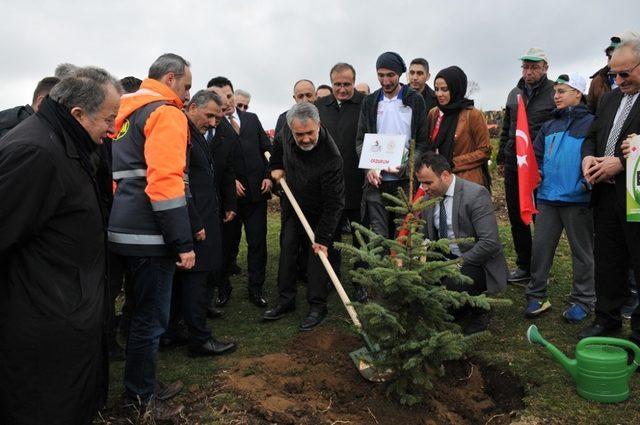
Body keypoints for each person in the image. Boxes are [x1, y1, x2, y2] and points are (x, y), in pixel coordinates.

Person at [0, 67, 122, 424]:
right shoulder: (35, 152)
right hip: (44, 317)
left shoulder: (68, 141)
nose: (113, 129)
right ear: (78, 114)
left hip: (66, 307)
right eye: (109, 119)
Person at [108, 53, 194, 416]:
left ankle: (141, 382)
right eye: (187, 86)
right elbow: (164, 181)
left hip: (122, 228)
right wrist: (182, 241)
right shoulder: (166, 113)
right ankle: (140, 398)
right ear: (171, 78)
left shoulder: (125, 111)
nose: (188, 94)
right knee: (151, 319)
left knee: (135, 312)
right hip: (150, 235)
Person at [164, 90, 236, 356]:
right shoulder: (181, 134)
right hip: (194, 220)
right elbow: (179, 183)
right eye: (209, 116)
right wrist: (194, 222)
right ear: (192, 107)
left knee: (189, 280)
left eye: (217, 118)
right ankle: (199, 339)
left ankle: (175, 330)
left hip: (203, 215)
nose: (213, 123)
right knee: (196, 280)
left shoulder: (196, 134)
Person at [264, 102, 345, 330]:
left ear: (318, 125)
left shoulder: (331, 157)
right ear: (291, 129)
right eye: (300, 134)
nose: (306, 138)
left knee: (317, 258)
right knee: (288, 249)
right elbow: (277, 147)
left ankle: (318, 306)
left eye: (310, 132)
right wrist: (276, 166)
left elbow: (335, 202)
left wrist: (322, 238)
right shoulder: (286, 133)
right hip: (293, 202)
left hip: (322, 211)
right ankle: (286, 301)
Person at [580, 38, 640, 342]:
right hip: (605, 195)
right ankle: (607, 320)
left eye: (624, 74)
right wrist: (588, 157)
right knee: (608, 260)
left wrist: (622, 163)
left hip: (636, 196)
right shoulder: (609, 99)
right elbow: (592, 136)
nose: (617, 81)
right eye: (612, 75)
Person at [524, 73, 595, 322]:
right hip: (547, 199)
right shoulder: (549, 125)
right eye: (555, 91)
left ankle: (584, 300)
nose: (556, 95)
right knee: (541, 249)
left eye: (562, 91)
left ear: (578, 93)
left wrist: (585, 185)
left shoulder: (591, 123)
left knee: (582, 252)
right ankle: (537, 295)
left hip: (577, 200)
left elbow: (595, 156)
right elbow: (536, 155)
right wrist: (539, 173)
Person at [417, 152, 507, 335]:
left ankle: (481, 309)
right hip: (447, 255)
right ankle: (457, 305)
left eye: (428, 182)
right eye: (421, 182)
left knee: (455, 283)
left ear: (445, 175)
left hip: (477, 261)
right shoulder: (429, 198)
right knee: (426, 281)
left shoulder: (475, 195)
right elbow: (426, 235)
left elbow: (490, 243)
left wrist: (457, 264)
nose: (424, 188)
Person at [207, 76, 272, 308]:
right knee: (226, 246)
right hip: (230, 202)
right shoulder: (212, 126)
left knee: (257, 244)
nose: (225, 101)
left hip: (256, 197)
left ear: (233, 94)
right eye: (219, 97)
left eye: (228, 95)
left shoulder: (251, 120)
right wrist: (230, 181)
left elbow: (267, 150)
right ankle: (223, 288)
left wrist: (267, 175)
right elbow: (211, 162)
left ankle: (256, 288)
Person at [496, 47, 555, 284]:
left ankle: (542, 268)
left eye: (534, 67)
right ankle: (524, 264)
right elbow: (506, 128)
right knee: (517, 215)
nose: (529, 71)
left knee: (541, 218)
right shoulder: (514, 93)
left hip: (540, 165)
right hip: (514, 163)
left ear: (545, 68)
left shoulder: (553, 93)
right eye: (526, 67)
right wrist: (501, 156)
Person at [356, 51, 429, 239]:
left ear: (400, 74)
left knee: (403, 235)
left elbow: (422, 142)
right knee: (378, 236)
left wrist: (408, 166)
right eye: (381, 75)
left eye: (390, 75)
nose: (386, 81)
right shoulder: (370, 102)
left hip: (404, 182)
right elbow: (360, 141)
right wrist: (368, 168)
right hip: (376, 182)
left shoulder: (414, 100)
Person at [316, 62, 367, 302]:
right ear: (331, 82)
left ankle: (360, 281)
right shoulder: (319, 107)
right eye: (338, 84)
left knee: (360, 237)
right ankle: (332, 278)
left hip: (357, 182)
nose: (342, 89)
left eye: (347, 84)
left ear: (354, 83)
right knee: (332, 235)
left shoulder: (365, 104)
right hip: (329, 186)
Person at [427, 66, 491, 188]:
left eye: (445, 89)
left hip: (466, 181)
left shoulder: (472, 114)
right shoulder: (434, 113)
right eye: (436, 89)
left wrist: (452, 163)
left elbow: (484, 151)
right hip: (439, 180)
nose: (439, 94)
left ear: (456, 88)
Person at [589, 31, 639, 114]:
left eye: (624, 73)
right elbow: (592, 112)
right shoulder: (597, 80)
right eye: (610, 56)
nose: (619, 81)